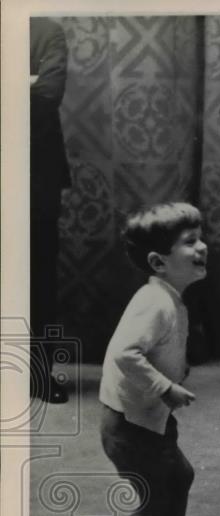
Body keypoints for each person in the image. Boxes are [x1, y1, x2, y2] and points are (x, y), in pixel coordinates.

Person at [83, 203, 214, 516]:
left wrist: (175, 369)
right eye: (189, 242)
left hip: (147, 418)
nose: (202, 246)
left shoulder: (169, 298)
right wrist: (165, 386)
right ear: (159, 262)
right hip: (129, 424)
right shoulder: (155, 301)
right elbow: (124, 353)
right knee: (153, 498)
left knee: (180, 475)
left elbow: (153, 349)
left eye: (200, 236)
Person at [29, 17, 71, 403]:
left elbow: (47, 93)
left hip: (35, 173)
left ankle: (38, 374)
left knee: (39, 279)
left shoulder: (46, 30)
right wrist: (24, 82)